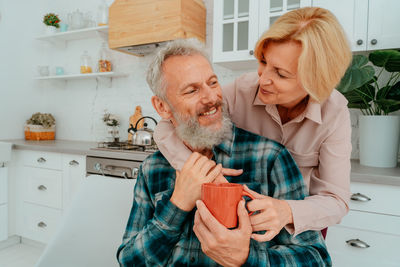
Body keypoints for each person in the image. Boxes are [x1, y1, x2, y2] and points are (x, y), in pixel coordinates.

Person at [117, 39, 331, 266]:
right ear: (162, 107)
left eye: (213, 82)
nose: (211, 98)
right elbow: (129, 261)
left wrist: (246, 258)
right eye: (192, 90)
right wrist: (177, 204)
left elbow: (317, 260)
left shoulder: (269, 157)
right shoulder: (152, 169)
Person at [154, 7, 353, 240]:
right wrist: (197, 168)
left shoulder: (334, 113)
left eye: (280, 73)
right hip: (239, 219)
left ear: (315, 80)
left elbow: (335, 200)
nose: (263, 78)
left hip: (297, 223)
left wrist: (286, 211)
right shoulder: (242, 91)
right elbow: (167, 124)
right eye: (263, 61)